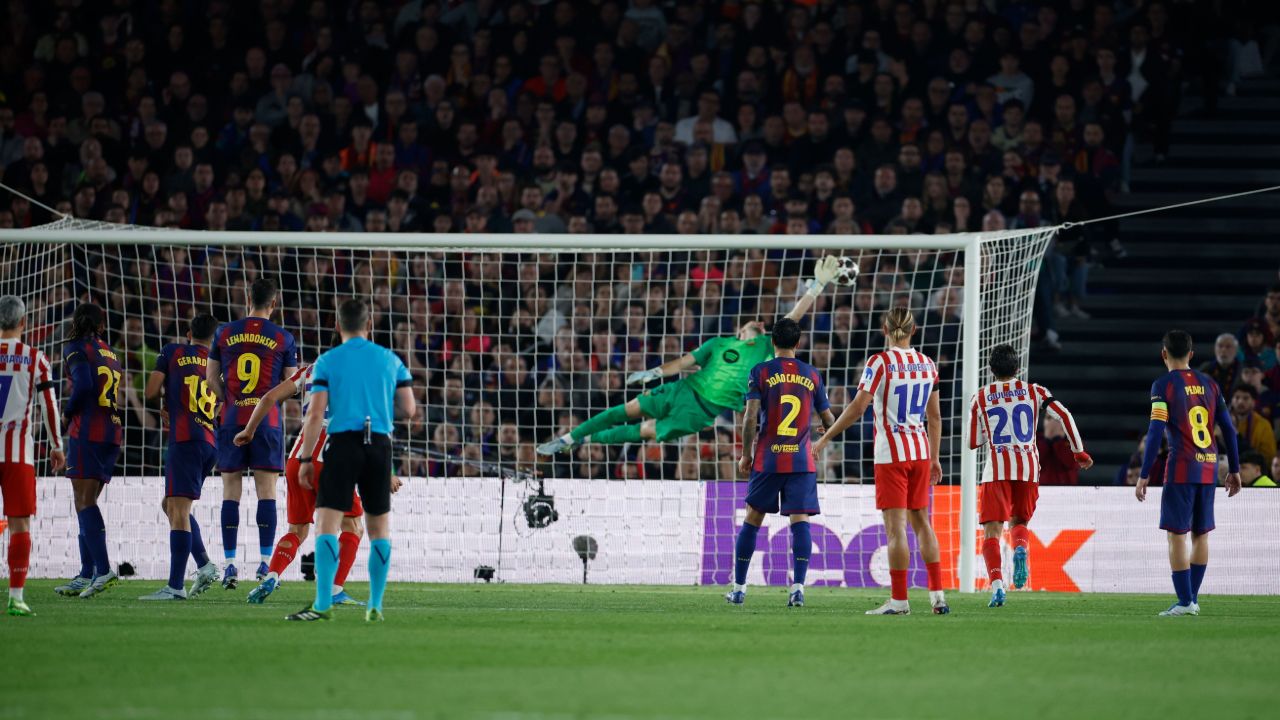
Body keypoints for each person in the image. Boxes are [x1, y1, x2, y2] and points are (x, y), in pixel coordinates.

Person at [537, 256, 840, 455]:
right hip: (682, 388)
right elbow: (685, 362)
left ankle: (587, 440)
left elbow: (794, 316)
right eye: (755, 322)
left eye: (762, 323)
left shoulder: (764, 347)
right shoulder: (718, 343)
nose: (761, 324)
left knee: (642, 431)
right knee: (625, 409)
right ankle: (569, 438)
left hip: (700, 412)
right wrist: (654, 373)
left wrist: (818, 284)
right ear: (740, 329)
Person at [813, 308, 949, 615]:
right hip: (920, 452)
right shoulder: (928, 364)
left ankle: (900, 601)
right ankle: (938, 597)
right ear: (914, 331)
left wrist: (825, 436)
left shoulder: (879, 362)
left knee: (896, 530)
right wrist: (935, 458)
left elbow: (858, 408)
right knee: (922, 523)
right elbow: (936, 417)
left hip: (891, 455)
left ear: (884, 330)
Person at [286, 299, 415, 622]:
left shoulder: (328, 361)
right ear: (369, 325)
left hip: (341, 444)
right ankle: (375, 605)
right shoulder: (389, 359)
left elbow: (315, 414)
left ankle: (323, 603)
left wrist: (304, 459)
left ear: (337, 326)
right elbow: (410, 409)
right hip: (378, 444)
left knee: (327, 525)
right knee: (378, 529)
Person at [966, 344, 1093, 608]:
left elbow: (973, 442)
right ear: (1018, 368)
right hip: (1027, 467)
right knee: (1019, 520)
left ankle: (998, 586)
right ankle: (1020, 548)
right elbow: (1065, 416)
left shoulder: (980, 397)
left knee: (992, 530)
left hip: (996, 469)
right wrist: (1079, 452)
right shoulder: (1035, 391)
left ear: (990, 370)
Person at [724, 318, 835, 608]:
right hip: (800, 460)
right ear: (798, 343)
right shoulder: (812, 374)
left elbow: (750, 417)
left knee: (753, 519)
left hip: (768, 458)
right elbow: (829, 421)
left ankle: (739, 589)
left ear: (773, 341)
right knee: (800, 521)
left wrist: (746, 453)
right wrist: (823, 436)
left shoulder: (760, 371)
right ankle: (797, 588)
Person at [238, 362, 368, 607]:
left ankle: (272, 575)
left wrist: (249, 430)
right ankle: (334, 589)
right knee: (352, 526)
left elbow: (268, 397)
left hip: (297, 458)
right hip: (330, 457)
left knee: (297, 530)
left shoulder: (310, 370)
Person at [1136, 330, 1242, 617]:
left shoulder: (1163, 386)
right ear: (1191, 354)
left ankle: (1185, 601)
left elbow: (1156, 429)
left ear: (1164, 354)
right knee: (1201, 534)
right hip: (1209, 467)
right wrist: (1234, 468)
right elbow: (1229, 430)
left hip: (1181, 467)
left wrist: (1145, 473)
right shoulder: (1211, 384)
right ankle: (1192, 600)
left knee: (1176, 534)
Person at [207, 278, 298, 589]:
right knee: (266, 491)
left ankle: (230, 564)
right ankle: (264, 563)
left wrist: (228, 399)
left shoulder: (224, 331)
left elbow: (210, 378)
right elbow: (289, 384)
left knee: (231, 491)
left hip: (232, 418)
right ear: (274, 303)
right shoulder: (284, 337)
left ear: (249, 298)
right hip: (268, 422)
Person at [138, 313, 222, 600]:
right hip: (210, 442)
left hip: (185, 439)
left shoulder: (173, 351)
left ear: (188, 333)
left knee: (178, 510)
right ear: (213, 339)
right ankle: (204, 564)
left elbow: (150, 391)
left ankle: (175, 587)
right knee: (172, 505)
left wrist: (168, 400)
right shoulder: (217, 364)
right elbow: (222, 403)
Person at [0, 295, 65, 616]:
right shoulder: (35, 358)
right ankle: (16, 597)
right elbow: (50, 406)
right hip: (17, 454)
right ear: (23, 323)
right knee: (19, 524)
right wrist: (57, 446)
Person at [55, 303, 123, 599]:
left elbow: (82, 385)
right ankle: (86, 573)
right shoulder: (110, 352)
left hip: (88, 431)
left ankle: (103, 569)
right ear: (101, 326)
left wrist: (67, 413)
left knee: (84, 502)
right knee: (86, 503)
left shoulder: (74, 347)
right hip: (112, 432)